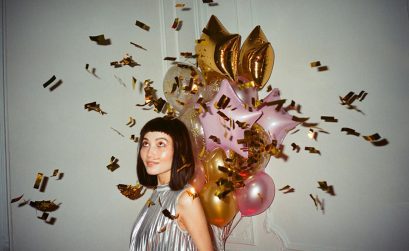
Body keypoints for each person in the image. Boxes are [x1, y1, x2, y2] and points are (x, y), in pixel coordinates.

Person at [129, 117, 214, 251]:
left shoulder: (186, 198)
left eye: (161, 144)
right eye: (145, 144)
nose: (149, 153)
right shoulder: (157, 195)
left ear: (179, 150)